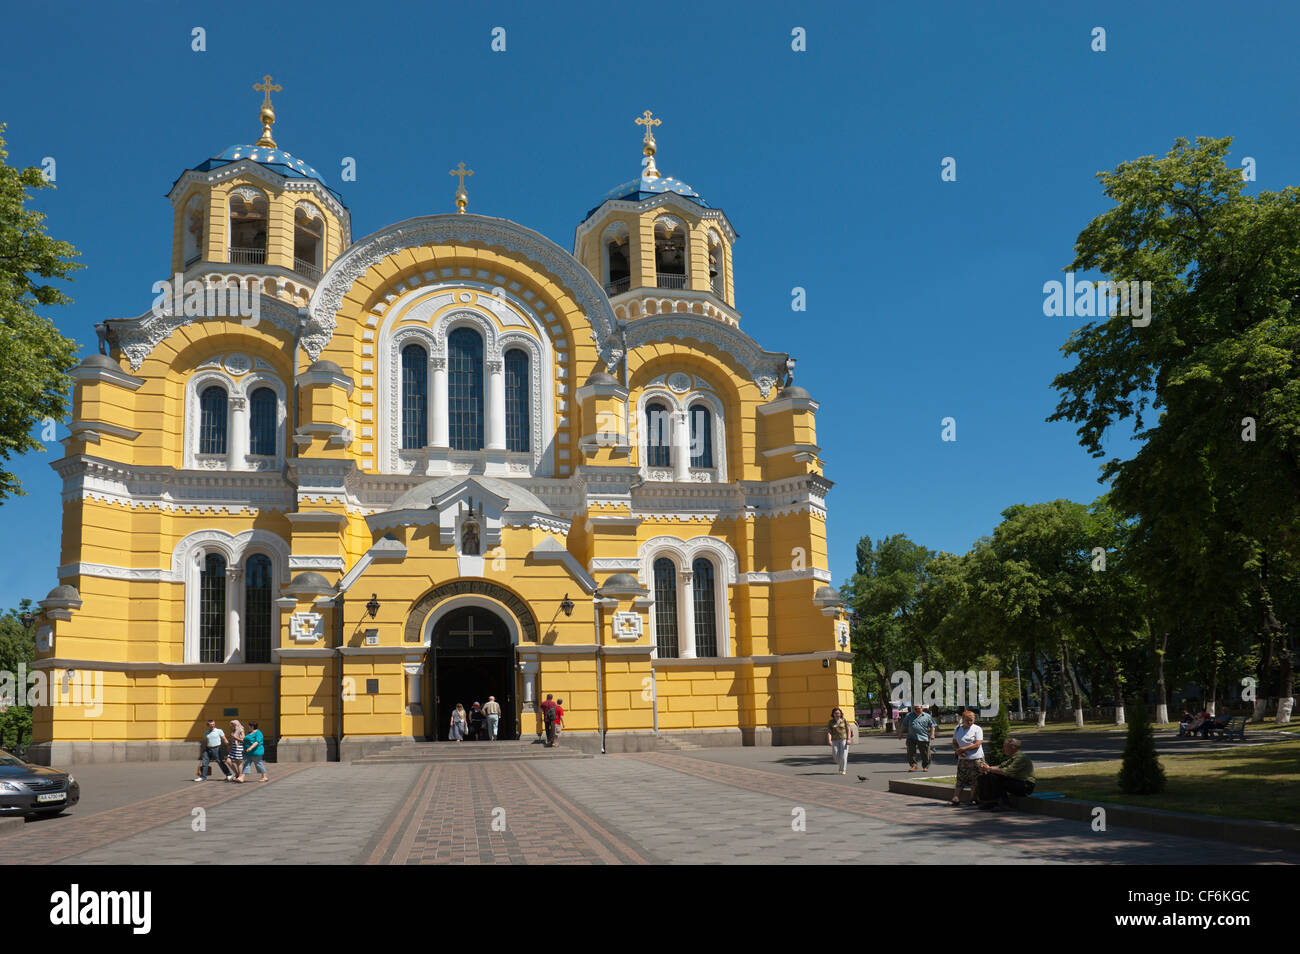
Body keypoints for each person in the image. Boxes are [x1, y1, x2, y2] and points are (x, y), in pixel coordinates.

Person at [977, 738, 1036, 809]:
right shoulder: (1013, 757)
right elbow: (1001, 766)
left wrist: (989, 768)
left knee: (996, 778)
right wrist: (986, 768)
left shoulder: (1021, 758)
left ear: (1013, 747)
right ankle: (990, 801)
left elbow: (1007, 772)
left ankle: (1005, 804)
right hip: (1018, 782)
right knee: (986, 776)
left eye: (1005, 746)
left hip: (1025, 785)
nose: (1003, 748)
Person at [950, 708, 985, 806]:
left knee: (975, 779)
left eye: (972, 720)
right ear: (963, 719)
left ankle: (973, 799)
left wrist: (963, 749)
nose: (969, 722)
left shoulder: (977, 729)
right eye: (967, 720)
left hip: (976, 758)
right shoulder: (957, 729)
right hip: (963, 759)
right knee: (961, 779)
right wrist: (958, 751)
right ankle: (956, 798)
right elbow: (954, 743)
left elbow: (977, 744)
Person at [897, 703, 936, 772]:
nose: (917, 710)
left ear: (922, 708)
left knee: (925, 753)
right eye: (915, 709)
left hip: (923, 737)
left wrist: (932, 734)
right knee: (911, 753)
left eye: (918, 708)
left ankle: (925, 766)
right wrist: (900, 733)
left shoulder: (927, 716)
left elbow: (932, 725)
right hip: (911, 737)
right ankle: (913, 766)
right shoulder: (909, 715)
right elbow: (903, 725)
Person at [826, 706, 853, 775]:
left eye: (838, 713)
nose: (837, 714)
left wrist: (849, 739)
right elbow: (829, 732)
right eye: (835, 713)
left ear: (841, 714)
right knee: (835, 754)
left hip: (844, 739)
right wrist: (829, 740)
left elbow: (848, 730)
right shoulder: (831, 722)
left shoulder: (844, 720)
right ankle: (840, 764)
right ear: (833, 714)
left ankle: (843, 770)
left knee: (844, 755)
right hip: (834, 740)